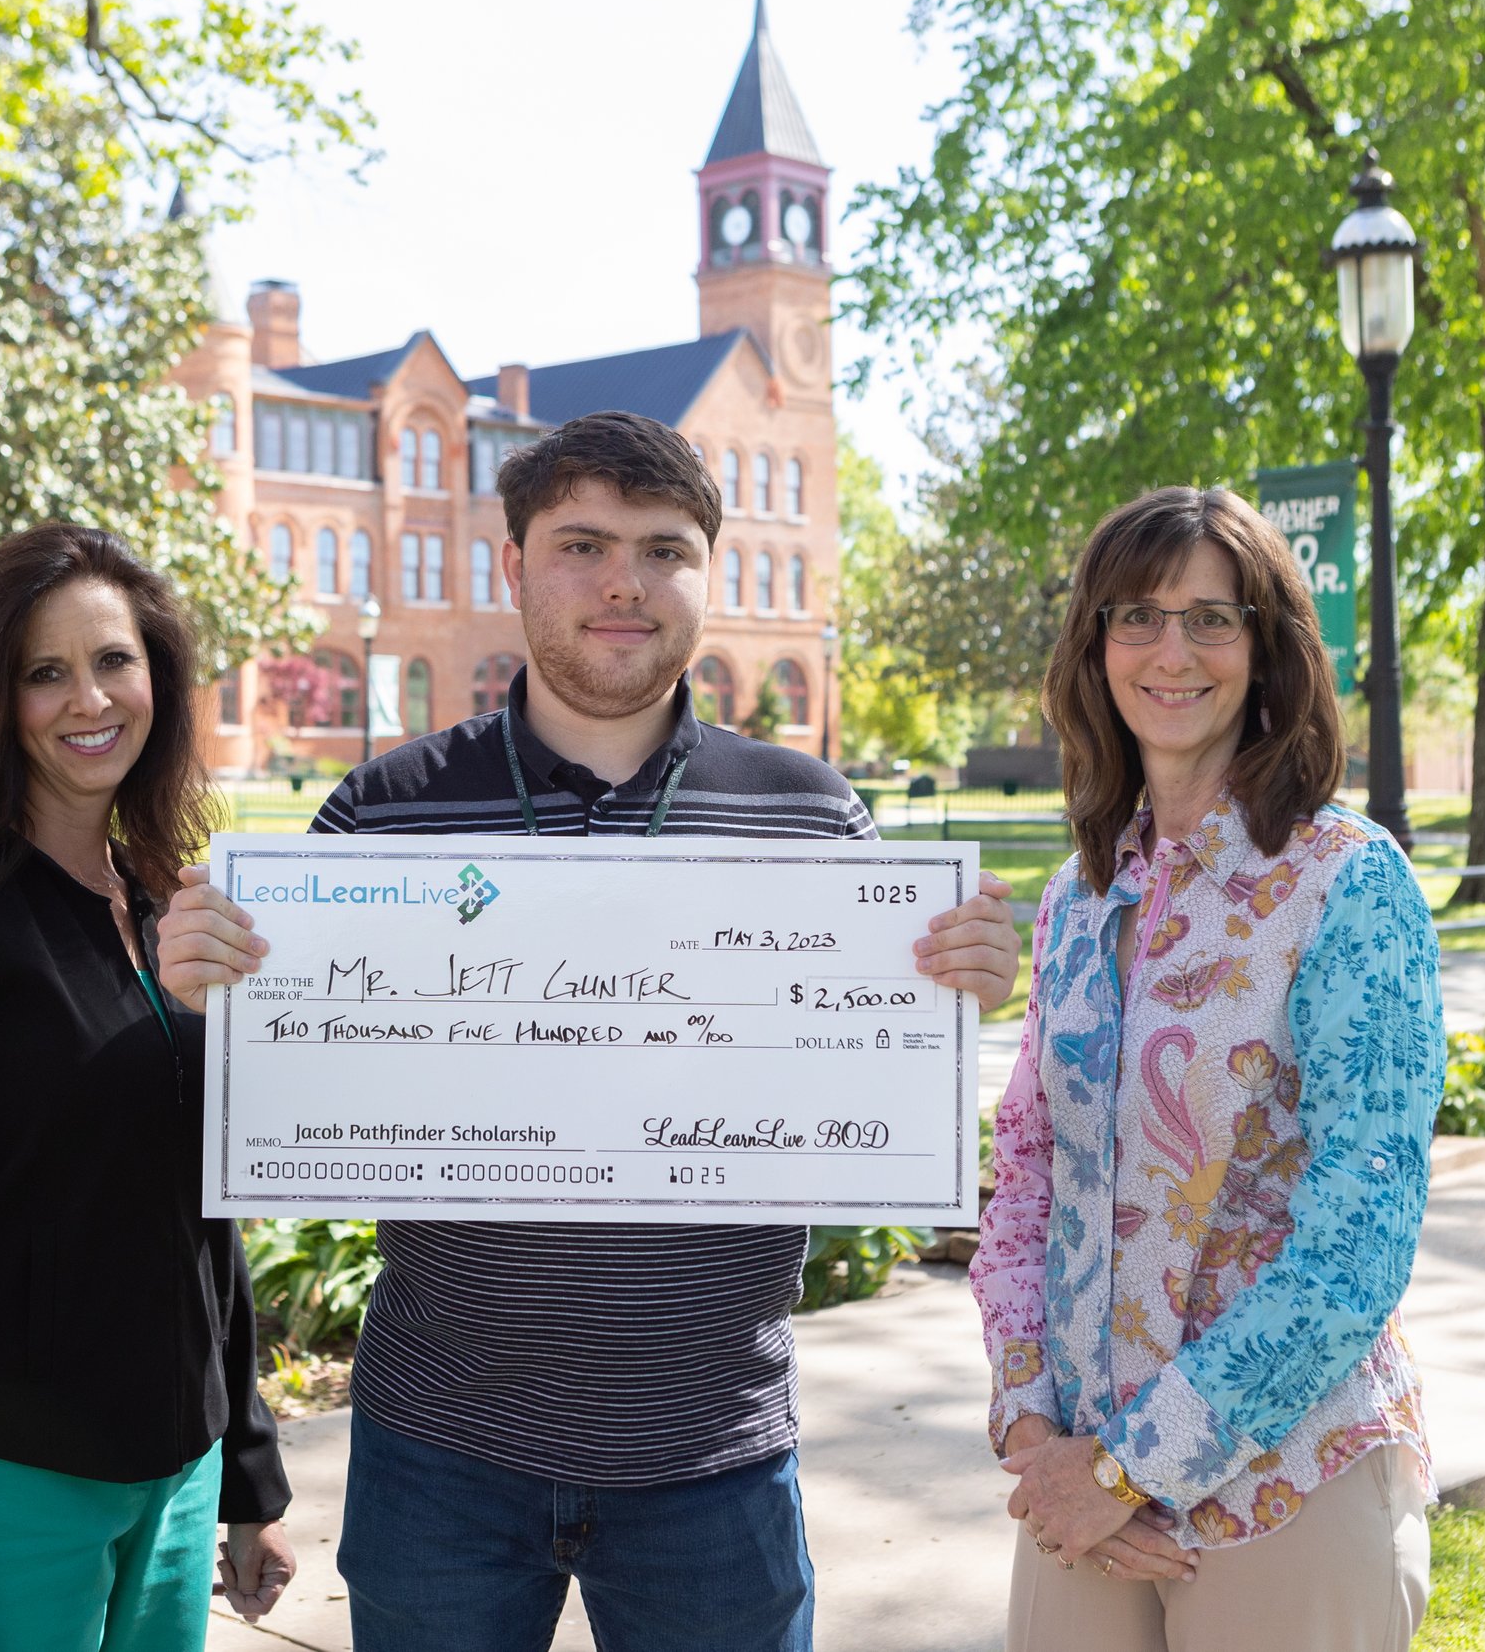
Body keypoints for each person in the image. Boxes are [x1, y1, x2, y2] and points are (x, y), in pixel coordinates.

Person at [154, 410, 1022, 1652]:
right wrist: (211, 999)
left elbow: (879, 1059)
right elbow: (272, 1083)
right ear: (510, 566)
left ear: (705, 576)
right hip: (439, 1450)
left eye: (664, 548)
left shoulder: (816, 821)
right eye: (582, 544)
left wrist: (958, 979)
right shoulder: (384, 812)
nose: (625, 581)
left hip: (714, 1451)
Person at [973, 487, 1443, 1652]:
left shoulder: (1347, 881)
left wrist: (1139, 1463)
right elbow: (1028, 1173)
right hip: (1081, 1487)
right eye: (1134, 616)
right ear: (1094, 647)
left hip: (1283, 1478)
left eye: (1211, 619)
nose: (1169, 650)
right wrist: (1034, 1432)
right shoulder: (1080, 895)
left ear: (1266, 649)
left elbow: (1358, 1239)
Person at [0, 523, 294, 1652]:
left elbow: (200, 1198)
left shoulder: (170, 899)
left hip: (175, 1475)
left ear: (158, 677)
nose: (89, 697)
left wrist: (246, 1470)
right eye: (46, 671)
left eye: (114, 660)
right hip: (11, 1488)